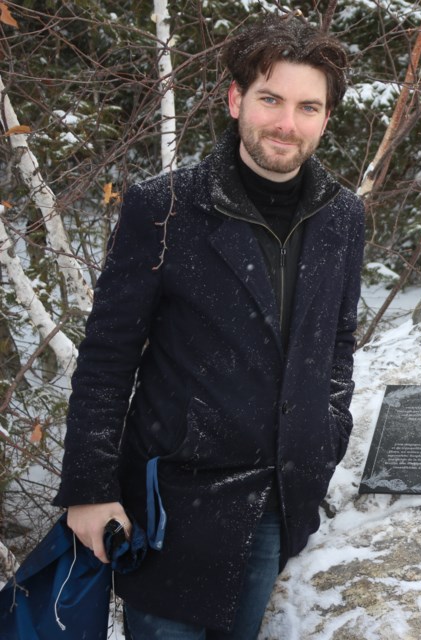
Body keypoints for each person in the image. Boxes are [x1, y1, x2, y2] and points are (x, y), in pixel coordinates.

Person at [52, 14, 365, 638]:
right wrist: (88, 487)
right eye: (270, 99)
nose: (286, 123)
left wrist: (326, 433)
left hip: (282, 501)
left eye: (308, 107)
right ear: (235, 100)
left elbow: (335, 343)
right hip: (176, 505)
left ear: (326, 118)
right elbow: (109, 357)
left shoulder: (343, 217)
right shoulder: (165, 207)